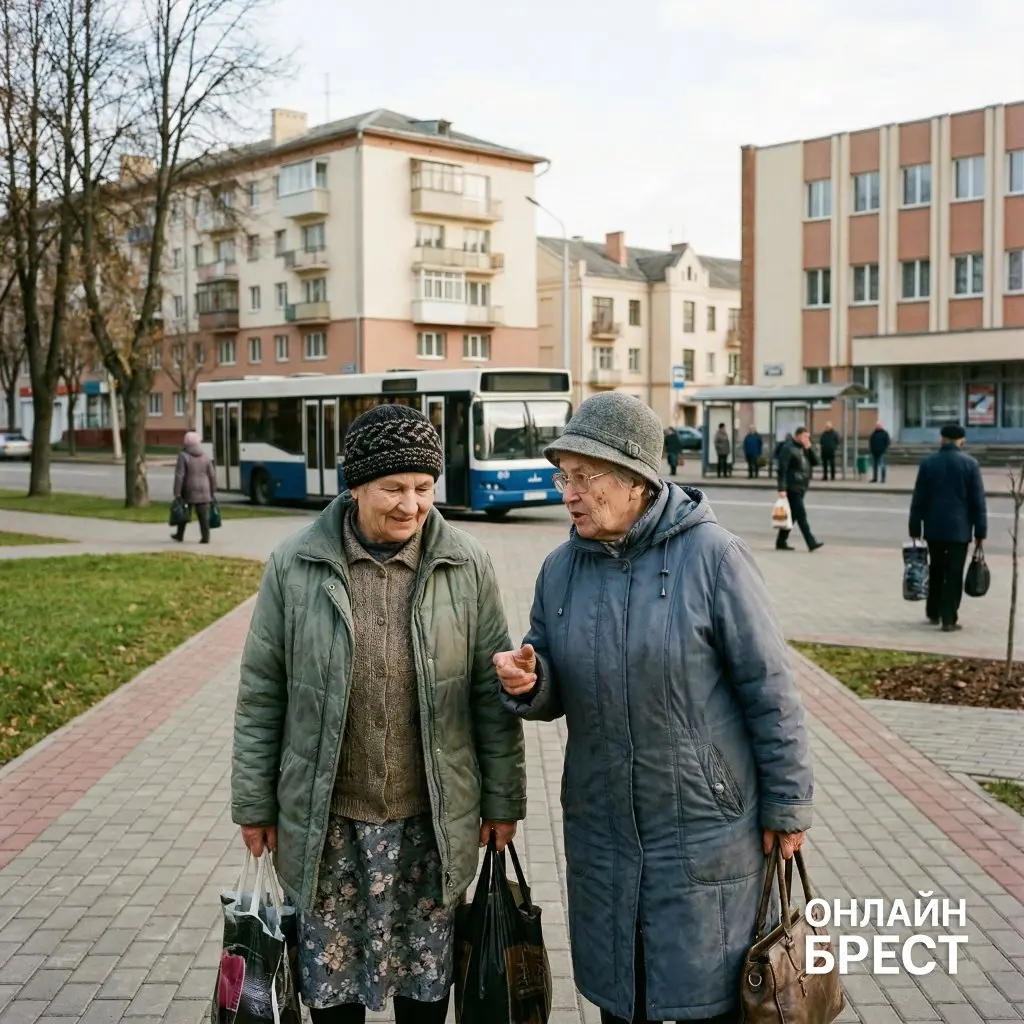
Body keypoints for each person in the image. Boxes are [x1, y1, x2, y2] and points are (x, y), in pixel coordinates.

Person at [493, 392, 814, 1024]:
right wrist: (530, 683)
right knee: (624, 998)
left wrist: (788, 804)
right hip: (604, 826)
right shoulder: (560, 571)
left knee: (711, 996)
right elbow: (552, 679)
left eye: (584, 477)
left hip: (702, 824)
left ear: (636, 479)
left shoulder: (713, 558)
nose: (569, 492)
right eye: (565, 475)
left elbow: (771, 691)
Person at [231, 403, 526, 1024]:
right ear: (356, 484)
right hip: (328, 825)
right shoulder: (295, 564)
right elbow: (262, 695)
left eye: (423, 488)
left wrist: (503, 802)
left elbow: (489, 696)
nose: (410, 505)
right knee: (332, 999)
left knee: (425, 998)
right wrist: (254, 806)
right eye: (393, 488)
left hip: (430, 826)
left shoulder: (466, 563)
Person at [909, 422, 988, 632]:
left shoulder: (928, 463)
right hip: (959, 530)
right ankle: (949, 618)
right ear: (962, 440)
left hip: (934, 528)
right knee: (954, 573)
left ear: (941, 439)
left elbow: (919, 499)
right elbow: (977, 501)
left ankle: (933, 611)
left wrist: (914, 527)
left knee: (935, 568)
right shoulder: (970, 464)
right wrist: (980, 531)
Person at [776, 426, 822, 552]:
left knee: (793, 516)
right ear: (798, 436)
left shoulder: (804, 449)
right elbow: (782, 469)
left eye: (808, 437)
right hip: (792, 487)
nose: (807, 439)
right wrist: (782, 488)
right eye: (805, 436)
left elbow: (816, 462)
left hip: (802, 486)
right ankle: (811, 542)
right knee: (801, 514)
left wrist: (809, 449)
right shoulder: (788, 448)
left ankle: (781, 541)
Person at [171, 430, 216, 544]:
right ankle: (205, 537)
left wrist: (177, 492)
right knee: (203, 515)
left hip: (188, 488)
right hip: (204, 488)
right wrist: (212, 489)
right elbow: (212, 474)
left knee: (184, 512)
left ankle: (179, 535)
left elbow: (179, 475)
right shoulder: (205, 456)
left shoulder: (183, 455)